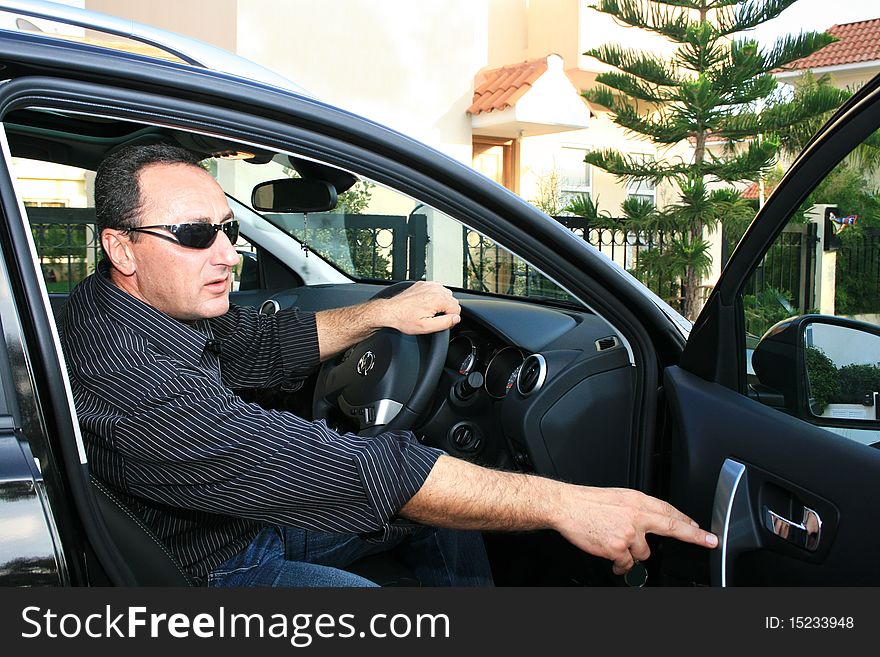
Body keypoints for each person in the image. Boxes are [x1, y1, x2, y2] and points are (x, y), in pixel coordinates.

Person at [58, 143, 717, 588]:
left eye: (229, 229)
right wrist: (569, 502)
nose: (228, 254)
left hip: (239, 521)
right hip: (210, 570)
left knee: (432, 513)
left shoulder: (121, 304)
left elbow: (258, 344)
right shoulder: (127, 380)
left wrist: (377, 315)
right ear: (122, 247)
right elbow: (343, 467)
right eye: (197, 236)